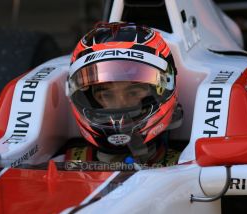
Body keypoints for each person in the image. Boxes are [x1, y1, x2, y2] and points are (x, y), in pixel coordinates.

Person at [64, 22, 183, 166]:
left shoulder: (188, 165)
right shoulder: (65, 163)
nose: (120, 103)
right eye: (107, 95)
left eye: (133, 92)